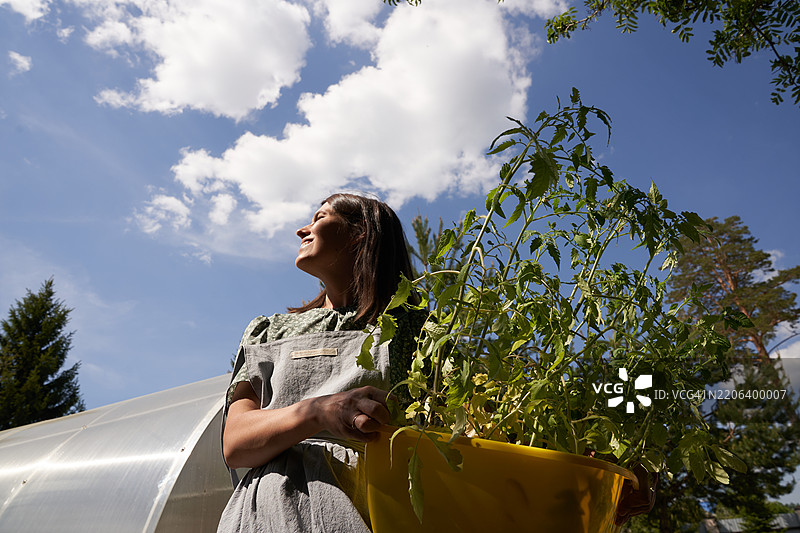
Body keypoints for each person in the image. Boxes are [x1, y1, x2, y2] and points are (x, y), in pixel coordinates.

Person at [218, 193, 423, 533]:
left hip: (369, 509)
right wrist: (319, 412)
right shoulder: (268, 331)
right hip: (263, 515)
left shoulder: (414, 330)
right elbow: (236, 444)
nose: (302, 230)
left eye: (320, 217)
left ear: (360, 233)